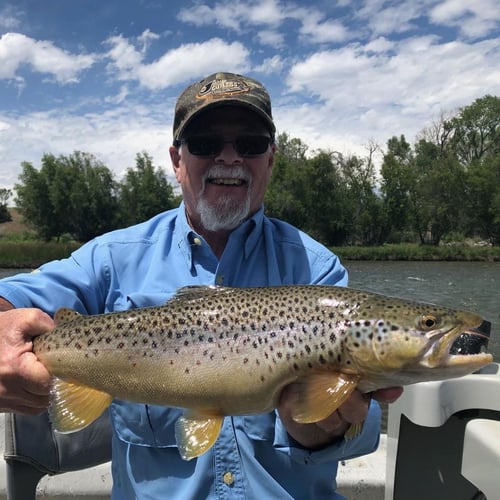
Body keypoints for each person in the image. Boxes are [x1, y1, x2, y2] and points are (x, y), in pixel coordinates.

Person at [0, 72, 402, 499]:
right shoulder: (111, 259)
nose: (229, 158)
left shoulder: (319, 272)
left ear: (270, 159)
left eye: (249, 144)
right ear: (177, 160)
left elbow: (350, 429)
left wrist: (318, 426)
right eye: (206, 144)